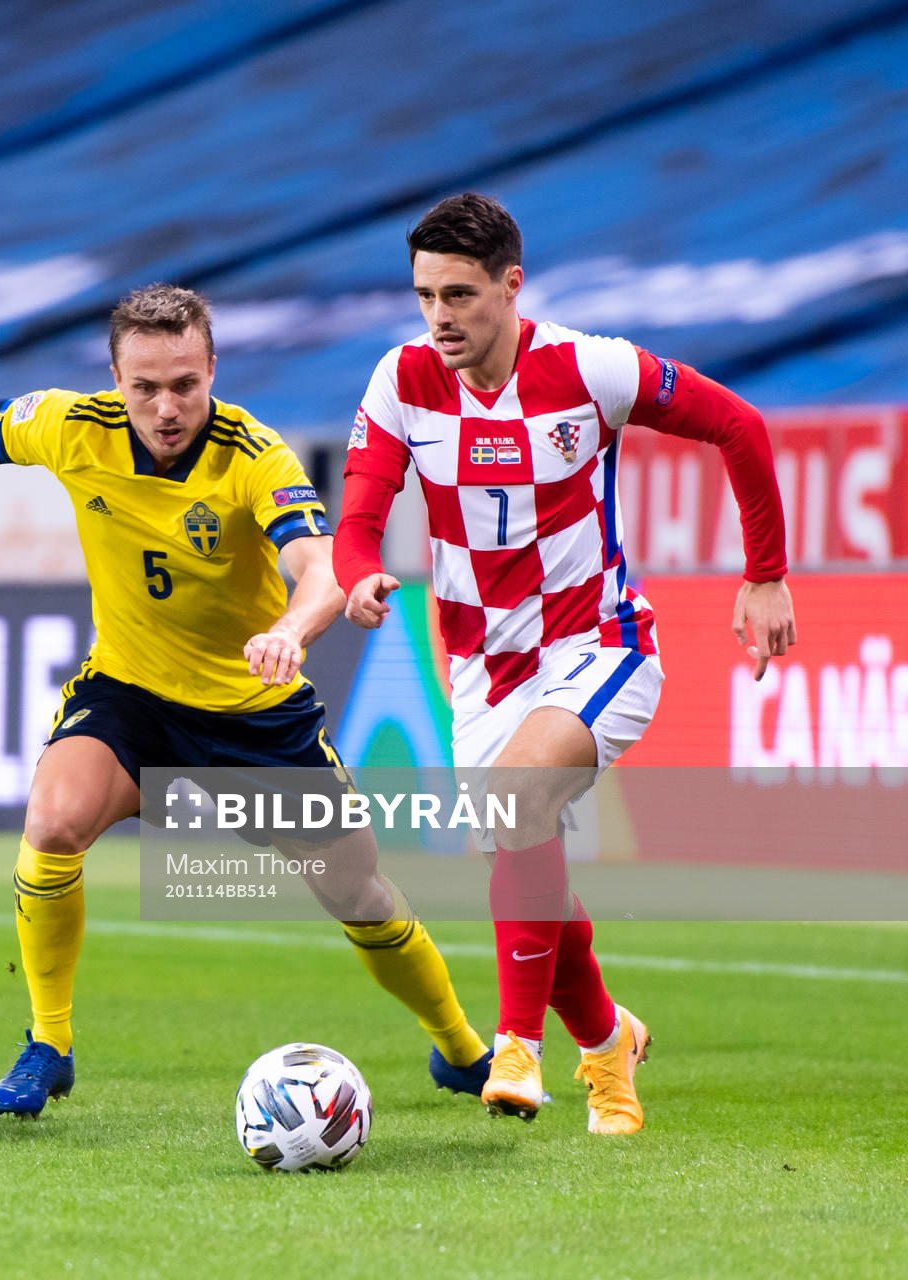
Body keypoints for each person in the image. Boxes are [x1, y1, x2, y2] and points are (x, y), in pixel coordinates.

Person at [0, 284, 494, 1118]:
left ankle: (459, 1048)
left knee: (357, 892)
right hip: (131, 698)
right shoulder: (70, 426)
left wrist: (293, 631)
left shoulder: (253, 455)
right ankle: (50, 1043)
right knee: (51, 825)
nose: (166, 407)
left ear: (212, 370)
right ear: (114, 378)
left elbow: (322, 565)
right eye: (145, 386)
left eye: (185, 384)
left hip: (254, 715)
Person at [334, 192, 796, 1135]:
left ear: (512, 285)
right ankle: (607, 1042)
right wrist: (357, 577)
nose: (440, 317)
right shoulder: (403, 379)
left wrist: (767, 578)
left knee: (517, 797)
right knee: (523, 840)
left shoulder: (592, 368)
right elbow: (360, 516)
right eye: (424, 295)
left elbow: (740, 427)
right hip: (479, 670)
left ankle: (518, 1047)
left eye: (460, 294)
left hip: (600, 645)